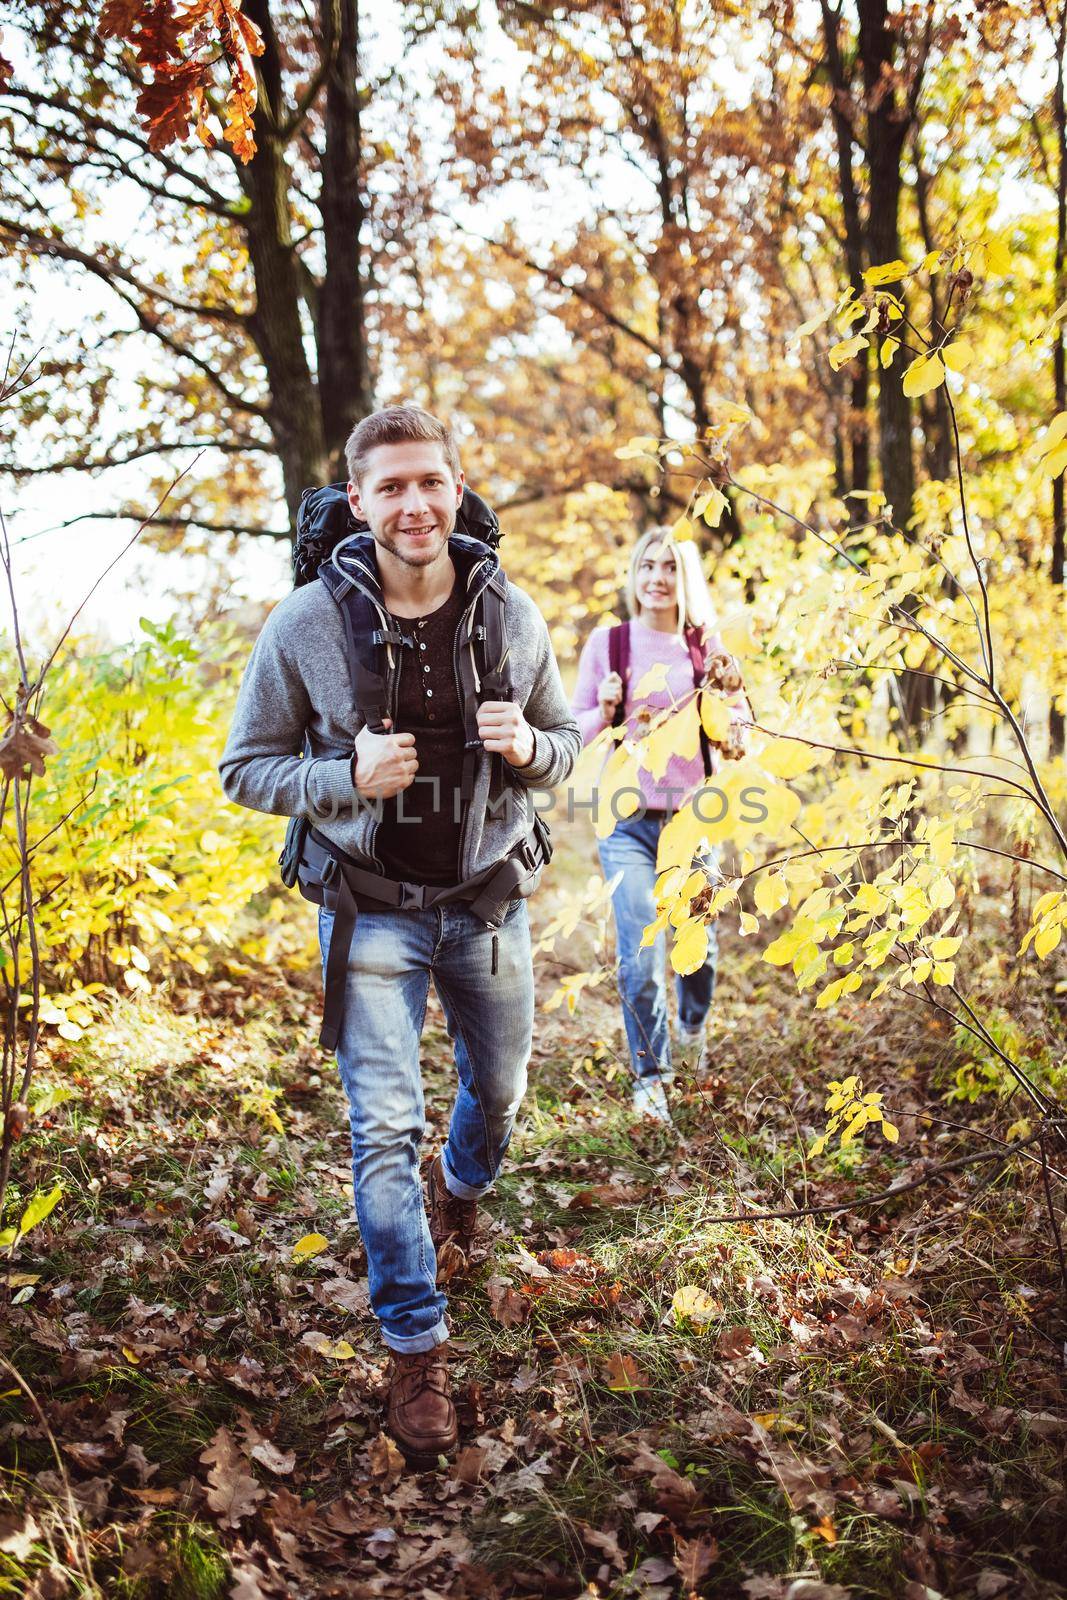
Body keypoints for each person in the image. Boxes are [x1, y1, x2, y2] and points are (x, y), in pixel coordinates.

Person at [219, 405, 580, 1462]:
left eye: (431, 482)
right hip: (367, 902)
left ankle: (459, 1188)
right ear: (357, 501)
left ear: (458, 490)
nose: (414, 504)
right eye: (391, 488)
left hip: (484, 898)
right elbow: (244, 768)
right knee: (381, 1127)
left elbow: (566, 741)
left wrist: (531, 753)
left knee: (499, 1092)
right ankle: (414, 1343)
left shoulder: (510, 616)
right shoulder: (302, 627)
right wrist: (340, 780)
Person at [571, 526, 749, 1124]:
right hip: (623, 819)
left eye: (669, 567)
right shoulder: (610, 643)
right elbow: (577, 729)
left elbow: (736, 714)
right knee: (639, 949)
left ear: (684, 577)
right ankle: (652, 1073)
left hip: (692, 817)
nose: (657, 578)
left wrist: (737, 722)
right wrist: (607, 706)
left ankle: (693, 1026)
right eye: (648, 565)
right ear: (634, 574)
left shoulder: (704, 645)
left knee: (701, 948)